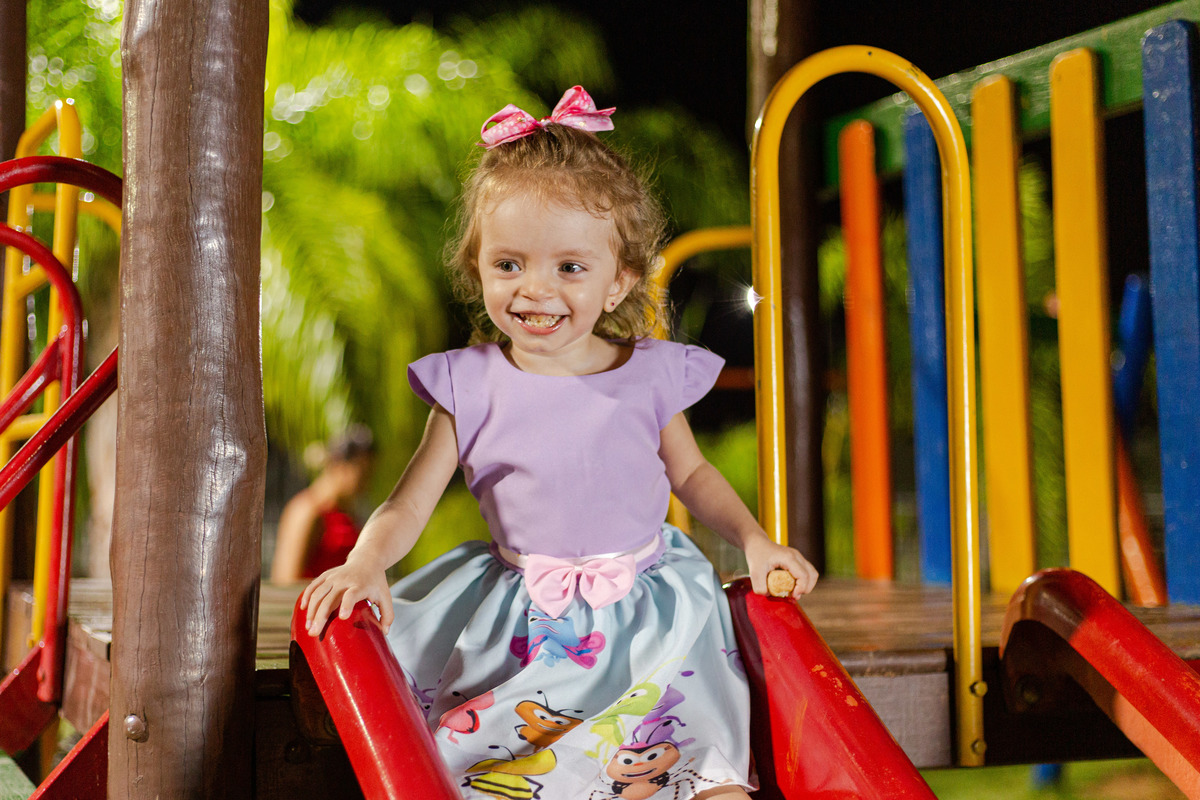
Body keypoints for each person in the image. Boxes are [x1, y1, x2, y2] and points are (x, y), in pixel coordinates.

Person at [301, 86, 818, 799]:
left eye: (569, 268)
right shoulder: (468, 386)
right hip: (524, 624)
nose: (535, 291)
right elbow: (408, 504)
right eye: (508, 265)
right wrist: (365, 562)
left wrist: (755, 542)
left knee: (697, 774)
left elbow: (693, 475)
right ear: (477, 265)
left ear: (619, 281)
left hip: (653, 618)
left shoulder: (647, 375)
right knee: (493, 775)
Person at [271, 425, 374, 583]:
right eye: (363, 474)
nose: (366, 483)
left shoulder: (348, 514)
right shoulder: (306, 510)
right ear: (339, 466)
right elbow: (285, 580)